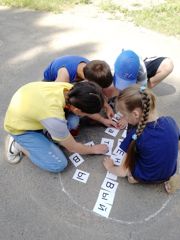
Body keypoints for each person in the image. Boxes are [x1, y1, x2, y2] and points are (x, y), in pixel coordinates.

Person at [4, 81, 108, 173]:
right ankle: (17, 144)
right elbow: (73, 147)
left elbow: (81, 110)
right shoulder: (54, 118)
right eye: (85, 114)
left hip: (29, 108)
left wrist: (103, 120)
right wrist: (93, 149)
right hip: (19, 128)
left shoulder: (71, 90)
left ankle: (48, 137)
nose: (85, 115)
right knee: (58, 164)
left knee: (73, 121)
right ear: (77, 110)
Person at [103, 85, 180, 193]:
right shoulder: (170, 121)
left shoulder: (135, 134)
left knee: (130, 177)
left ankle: (138, 179)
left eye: (123, 115)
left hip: (148, 176)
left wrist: (110, 167)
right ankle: (167, 178)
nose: (122, 119)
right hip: (170, 171)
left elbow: (122, 172)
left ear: (135, 114)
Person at [43, 55, 124, 128]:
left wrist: (107, 106)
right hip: (51, 84)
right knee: (73, 121)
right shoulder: (63, 79)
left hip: (71, 84)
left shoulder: (92, 69)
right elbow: (52, 103)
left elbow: (95, 91)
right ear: (87, 81)